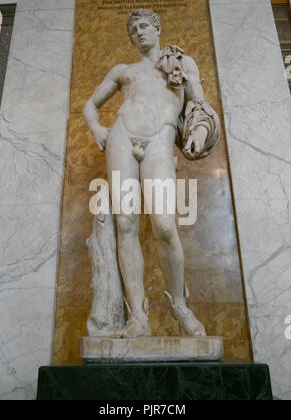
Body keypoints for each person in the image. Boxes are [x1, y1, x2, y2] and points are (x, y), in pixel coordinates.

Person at [83, 9, 220, 339]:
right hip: (121, 137)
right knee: (126, 223)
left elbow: (198, 106)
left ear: (157, 28)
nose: (139, 33)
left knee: (163, 224)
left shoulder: (180, 63)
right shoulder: (123, 71)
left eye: (144, 26)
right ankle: (138, 317)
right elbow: (90, 105)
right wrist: (97, 129)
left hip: (160, 137)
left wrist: (198, 133)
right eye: (133, 30)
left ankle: (180, 308)